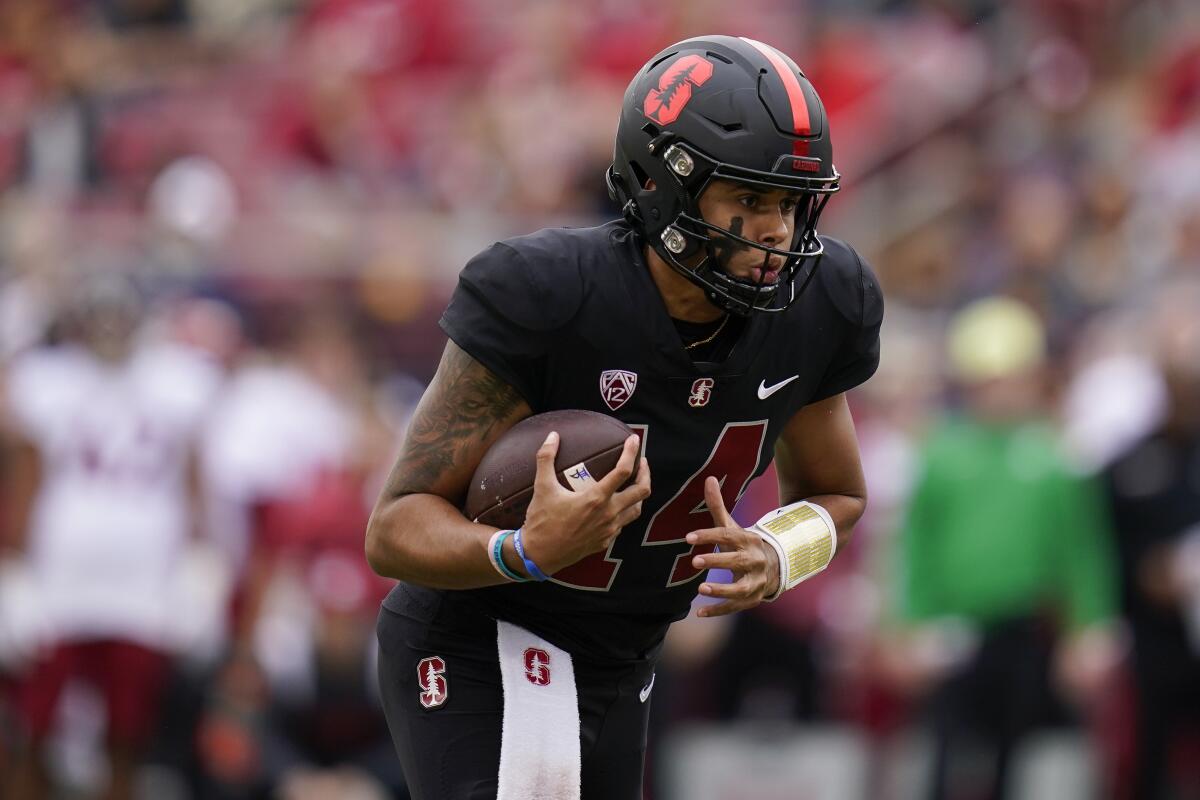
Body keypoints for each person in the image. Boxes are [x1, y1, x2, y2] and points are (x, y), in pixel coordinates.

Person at [365, 34, 883, 800]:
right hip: (484, 633)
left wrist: (778, 552)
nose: (777, 231)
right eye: (747, 199)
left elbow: (840, 497)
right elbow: (394, 528)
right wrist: (520, 548)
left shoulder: (822, 303)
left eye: (790, 203)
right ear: (662, 185)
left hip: (625, 655)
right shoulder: (548, 294)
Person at [889, 297, 1119, 800]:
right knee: (945, 761)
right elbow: (914, 548)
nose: (1000, 394)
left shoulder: (1055, 456)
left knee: (1018, 764)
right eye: (988, 381)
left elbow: (1081, 550)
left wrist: (1089, 628)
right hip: (949, 634)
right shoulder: (941, 453)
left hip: (1024, 633)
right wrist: (903, 626)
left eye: (1011, 379)